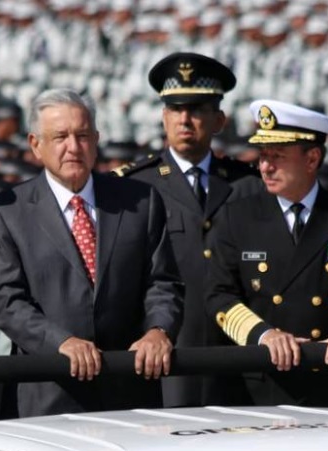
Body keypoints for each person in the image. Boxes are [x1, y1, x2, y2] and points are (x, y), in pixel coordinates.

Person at [0, 88, 184, 417]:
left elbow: (162, 283)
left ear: (97, 139)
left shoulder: (140, 202)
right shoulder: (8, 212)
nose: (73, 147)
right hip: (48, 394)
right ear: (35, 144)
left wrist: (158, 331)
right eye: (60, 137)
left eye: (83, 135)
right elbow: (7, 302)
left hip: (129, 392)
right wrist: (60, 343)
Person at [205, 100, 328, 406]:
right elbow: (219, 295)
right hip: (259, 385)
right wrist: (264, 335)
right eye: (263, 156)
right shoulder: (237, 216)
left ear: (312, 159)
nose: (265, 166)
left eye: (278, 157)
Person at [113, 52, 262, 407]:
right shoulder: (132, 188)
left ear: (219, 120)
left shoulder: (249, 185)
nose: (185, 120)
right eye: (175, 110)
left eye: (197, 109)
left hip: (238, 360)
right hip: (162, 358)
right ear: (163, 117)